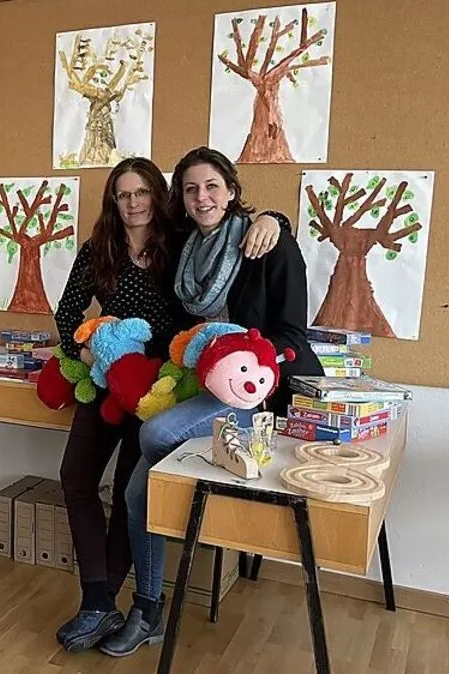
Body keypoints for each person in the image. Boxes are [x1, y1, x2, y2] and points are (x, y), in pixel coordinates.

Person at [52, 156, 287, 653]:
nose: (134, 203)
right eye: (123, 195)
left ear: (158, 196)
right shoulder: (99, 249)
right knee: (75, 478)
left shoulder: (179, 243)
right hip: (106, 379)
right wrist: (85, 350)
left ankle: (109, 604)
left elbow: (229, 222)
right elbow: (67, 310)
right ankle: (96, 600)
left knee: (129, 494)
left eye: (142, 193)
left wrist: (277, 220)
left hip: (159, 391)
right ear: (113, 202)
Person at [103, 146, 322, 657]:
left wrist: (276, 220)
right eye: (191, 188)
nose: (202, 197)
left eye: (212, 186)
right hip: (201, 390)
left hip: (257, 393)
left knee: (155, 435)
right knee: (136, 495)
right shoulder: (185, 250)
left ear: (231, 190)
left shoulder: (267, 244)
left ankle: (161, 588)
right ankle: (149, 609)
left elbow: (292, 334)